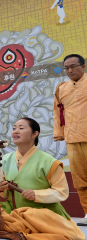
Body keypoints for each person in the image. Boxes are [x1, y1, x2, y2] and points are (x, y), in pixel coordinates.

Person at [0, 118, 85, 239]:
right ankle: (17, 226)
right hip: (14, 209)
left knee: (30, 215)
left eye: (21, 128)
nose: (15, 131)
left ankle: (15, 226)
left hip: (41, 211)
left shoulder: (49, 162)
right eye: (14, 128)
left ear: (35, 134)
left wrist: (36, 194)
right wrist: (2, 189)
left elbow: (61, 192)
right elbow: (3, 194)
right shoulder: (6, 160)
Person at [53, 54, 87, 226]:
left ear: (83, 66)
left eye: (73, 66)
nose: (70, 70)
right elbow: (58, 112)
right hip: (72, 138)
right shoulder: (61, 88)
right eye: (66, 68)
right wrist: (59, 132)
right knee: (80, 179)